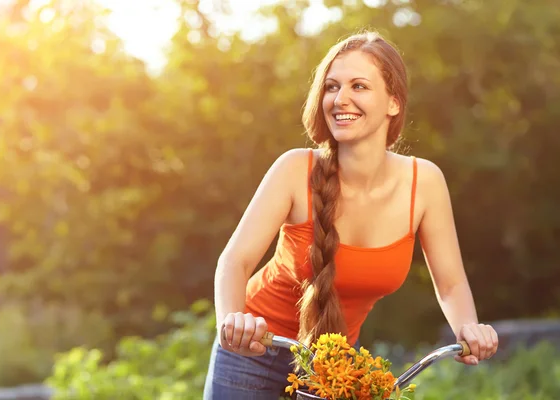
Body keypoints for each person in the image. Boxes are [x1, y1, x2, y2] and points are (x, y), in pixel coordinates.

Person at [203, 30, 499, 400]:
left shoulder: (424, 183)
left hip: (333, 365)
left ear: (393, 102)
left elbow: (451, 283)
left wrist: (468, 328)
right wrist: (233, 323)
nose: (340, 99)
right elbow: (235, 259)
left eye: (359, 86)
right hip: (255, 351)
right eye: (331, 87)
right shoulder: (295, 169)